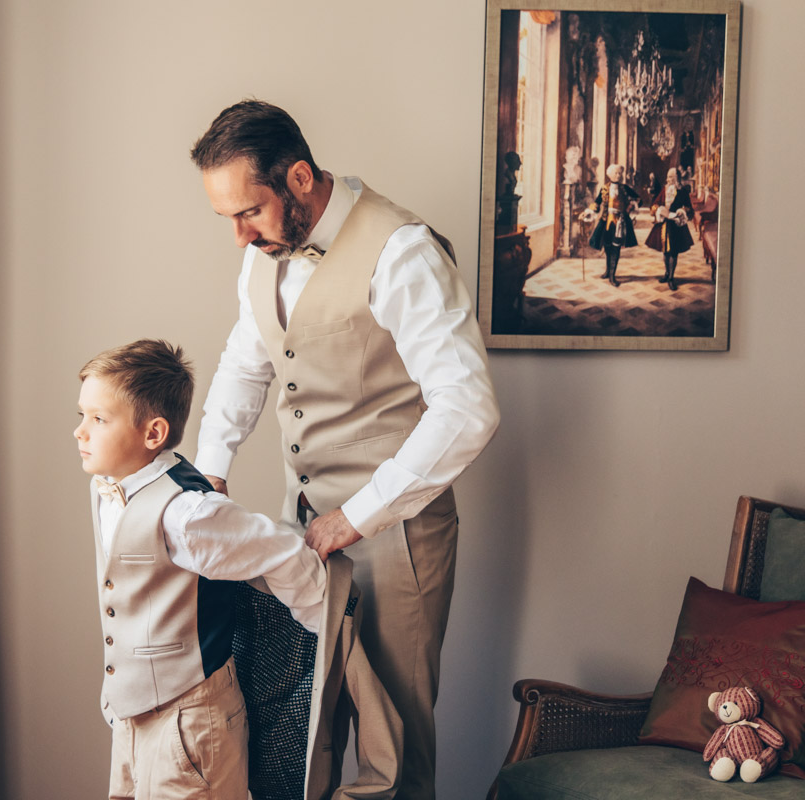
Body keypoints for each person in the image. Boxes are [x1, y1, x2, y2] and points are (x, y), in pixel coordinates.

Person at [188, 100, 500, 800]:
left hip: (397, 538)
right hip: (301, 531)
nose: (239, 236)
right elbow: (247, 364)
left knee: (396, 748)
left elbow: (468, 406)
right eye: (227, 218)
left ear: (300, 178)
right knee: (305, 739)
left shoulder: (402, 250)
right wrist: (211, 471)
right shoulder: (263, 256)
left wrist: (357, 516)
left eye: (250, 212)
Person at [75, 338, 327, 800]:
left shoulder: (189, 514)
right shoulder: (106, 487)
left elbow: (281, 553)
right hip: (130, 715)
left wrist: (323, 632)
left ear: (153, 434)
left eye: (98, 419)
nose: (80, 432)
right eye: (81, 415)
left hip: (190, 721)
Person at [583, 163, 641, 287]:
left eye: (620, 173)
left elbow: (638, 199)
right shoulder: (604, 188)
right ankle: (607, 271)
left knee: (616, 247)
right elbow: (597, 203)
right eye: (616, 173)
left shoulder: (625, 188)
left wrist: (630, 207)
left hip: (620, 222)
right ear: (610, 175)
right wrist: (588, 212)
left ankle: (612, 276)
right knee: (607, 246)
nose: (618, 175)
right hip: (606, 221)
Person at [644, 167, 695, 290]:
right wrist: (658, 209)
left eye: (670, 177)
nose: (668, 179)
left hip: (676, 225)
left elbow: (689, 208)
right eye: (667, 177)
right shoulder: (664, 189)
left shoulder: (682, 191)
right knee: (665, 251)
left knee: (673, 251)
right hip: (664, 224)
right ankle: (667, 273)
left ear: (676, 178)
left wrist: (682, 211)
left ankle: (672, 277)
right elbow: (655, 204)